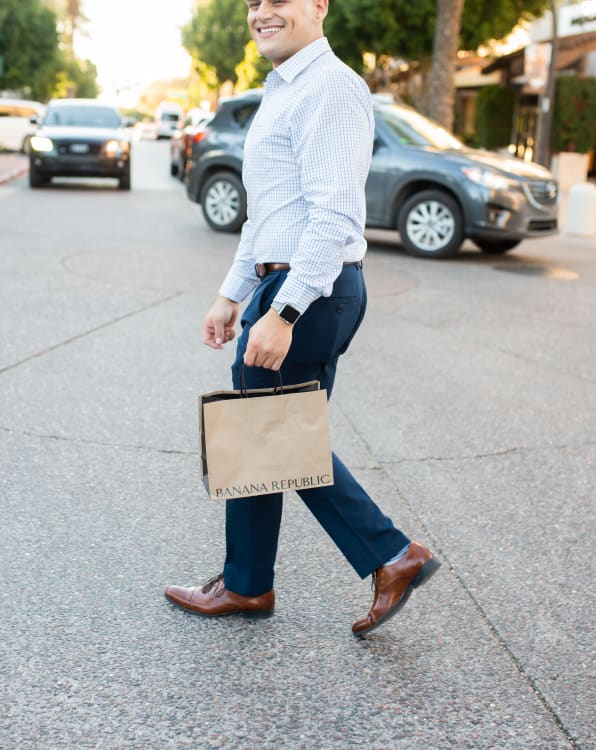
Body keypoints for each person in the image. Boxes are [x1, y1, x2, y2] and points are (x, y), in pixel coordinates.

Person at [165, 0, 440, 636]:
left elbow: (336, 217)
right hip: (287, 281)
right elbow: (268, 216)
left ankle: (391, 555)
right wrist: (232, 295)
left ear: (318, 5)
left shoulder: (333, 88)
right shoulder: (285, 89)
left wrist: (284, 309)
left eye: (277, 0)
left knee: (273, 441)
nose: (261, 12)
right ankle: (247, 583)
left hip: (308, 289)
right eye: (253, 3)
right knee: (265, 440)